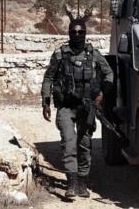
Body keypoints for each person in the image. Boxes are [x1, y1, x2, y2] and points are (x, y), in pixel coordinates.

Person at [41, 11, 114, 198]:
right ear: (68, 33)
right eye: (73, 32)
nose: (77, 35)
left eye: (81, 32)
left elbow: (109, 74)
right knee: (68, 142)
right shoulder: (60, 54)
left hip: (87, 106)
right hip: (66, 106)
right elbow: (49, 77)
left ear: (85, 33)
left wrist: (101, 95)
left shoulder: (93, 54)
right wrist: (46, 102)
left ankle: (82, 183)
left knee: (84, 144)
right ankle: (71, 184)